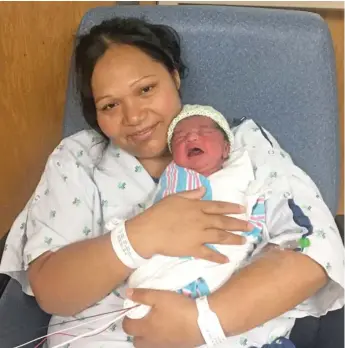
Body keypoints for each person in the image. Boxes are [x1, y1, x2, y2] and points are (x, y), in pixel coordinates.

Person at [0, 16, 343, 348]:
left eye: (146, 89)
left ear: (175, 77)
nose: (133, 117)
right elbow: (50, 290)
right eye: (110, 105)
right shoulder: (78, 159)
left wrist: (204, 321)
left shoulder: (242, 146)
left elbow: (314, 249)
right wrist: (137, 238)